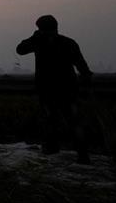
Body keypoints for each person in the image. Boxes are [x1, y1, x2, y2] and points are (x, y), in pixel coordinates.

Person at [16, 15, 93, 162]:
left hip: (47, 89)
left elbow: (20, 49)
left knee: (50, 119)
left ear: (41, 29)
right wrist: (87, 83)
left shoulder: (39, 42)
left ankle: (51, 149)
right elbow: (82, 67)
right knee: (73, 120)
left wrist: (34, 37)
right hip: (69, 88)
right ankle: (82, 154)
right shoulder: (69, 43)